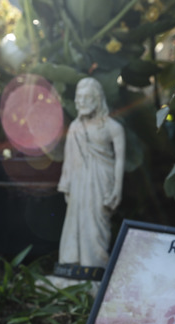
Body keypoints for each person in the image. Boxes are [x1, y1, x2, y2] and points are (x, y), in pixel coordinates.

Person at [56, 77, 126, 275]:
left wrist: (117, 189)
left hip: (102, 181)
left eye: (87, 97)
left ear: (98, 99)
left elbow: (120, 160)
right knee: (75, 221)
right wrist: (66, 184)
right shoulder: (75, 128)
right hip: (78, 182)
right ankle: (73, 262)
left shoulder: (113, 128)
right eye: (79, 98)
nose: (82, 102)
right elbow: (69, 158)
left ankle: (95, 264)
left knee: (97, 225)